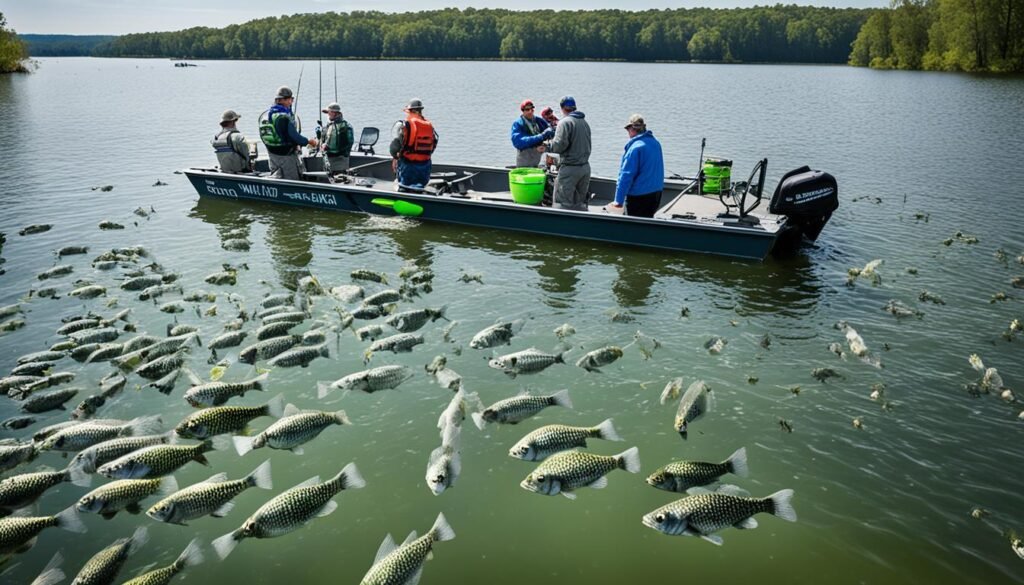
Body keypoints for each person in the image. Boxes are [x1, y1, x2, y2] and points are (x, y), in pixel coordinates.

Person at [611, 114, 665, 218]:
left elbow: (626, 175)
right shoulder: (656, 143)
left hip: (639, 196)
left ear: (632, 129)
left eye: (628, 129)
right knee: (647, 222)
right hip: (656, 193)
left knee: (632, 227)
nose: (628, 133)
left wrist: (618, 200)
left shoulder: (635, 148)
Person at [258, 86, 318, 180]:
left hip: (272, 156)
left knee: (277, 179)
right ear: (284, 100)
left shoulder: (265, 116)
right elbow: (295, 137)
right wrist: (310, 141)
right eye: (291, 99)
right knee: (292, 182)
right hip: (287, 157)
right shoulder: (283, 118)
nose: (291, 102)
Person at [546, 95, 592, 211]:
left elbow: (558, 147)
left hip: (570, 171)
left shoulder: (565, 123)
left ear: (562, 108)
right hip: (585, 169)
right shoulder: (584, 123)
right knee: (580, 204)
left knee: (562, 204)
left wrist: (547, 145)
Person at [389, 98, 438, 190]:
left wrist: (395, 157)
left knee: (403, 186)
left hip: (408, 167)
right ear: (420, 111)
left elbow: (394, 148)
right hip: (425, 169)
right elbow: (433, 145)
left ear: (410, 111)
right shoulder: (429, 126)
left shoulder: (405, 125)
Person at [510, 99, 554, 168]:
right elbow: (518, 142)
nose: (530, 111)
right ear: (522, 111)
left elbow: (550, 132)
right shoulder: (518, 124)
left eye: (532, 109)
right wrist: (541, 136)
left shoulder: (539, 121)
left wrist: (545, 144)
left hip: (536, 162)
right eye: (527, 110)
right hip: (524, 164)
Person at [321, 102, 354, 175]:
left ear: (333, 113)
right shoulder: (347, 126)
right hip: (343, 161)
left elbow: (326, 144)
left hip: (332, 161)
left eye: (328, 112)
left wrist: (323, 145)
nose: (328, 115)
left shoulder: (331, 127)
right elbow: (350, 142)